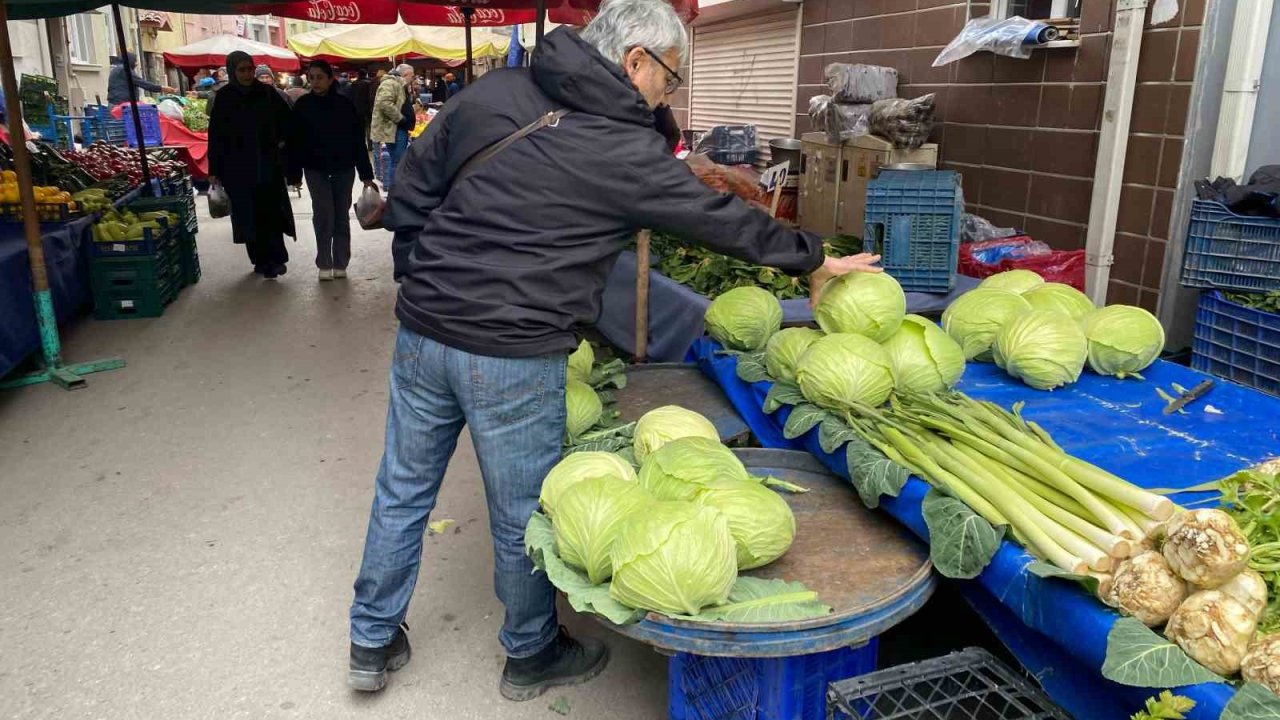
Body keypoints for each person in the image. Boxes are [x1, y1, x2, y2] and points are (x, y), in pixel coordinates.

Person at [349, 0, 882, 701]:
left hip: (424, 332)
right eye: (671, 77)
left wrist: (421, 272)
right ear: (635, 61)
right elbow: (713, 219)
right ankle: (532, 652)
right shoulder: (621, 148)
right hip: (513, 349)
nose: (672, 92)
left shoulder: (499, 92)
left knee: (402, 486)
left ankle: (371, 639)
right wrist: (810, 259)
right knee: (520, 512)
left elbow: (415, 179)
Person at [207, 51, 296, 279]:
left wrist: (282, 141)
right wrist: (214, 170)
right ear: (233, 72)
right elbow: (216, 135)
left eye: (249, 69)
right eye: (242, 70)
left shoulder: (267, 94)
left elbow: (288, 121)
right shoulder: (225, 98)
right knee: (248, 215)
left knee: (271, 213)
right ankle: (259, 259)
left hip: (267, 166)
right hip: (237, 170)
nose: (247, 74)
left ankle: (275, 260)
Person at [287, 60, 377, 282]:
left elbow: (357, 140)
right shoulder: (303, 106)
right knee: (323, 214)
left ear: (330, 79)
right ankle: (324, 262)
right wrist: (294, 174)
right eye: (312, 77)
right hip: (315, 169)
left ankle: (340, 262)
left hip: (343, 169)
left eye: (320, 77)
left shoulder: (345, 105)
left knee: (340, 215)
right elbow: (294, 142)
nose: (315, 82)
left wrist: (366, 174)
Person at [370, 64, 413, 192]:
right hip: (394, 128)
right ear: (405, 74)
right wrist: (401, 118)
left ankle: (394, 189)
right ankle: (394, 191)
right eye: (412, 75)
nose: (413, 78)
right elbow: (384, 103)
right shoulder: (390, 83)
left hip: (397, 128)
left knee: (397, 161)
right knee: (397, 161)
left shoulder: (398, 84)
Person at [107, 52, 173, 104]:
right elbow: (142, 83)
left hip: (115, 103)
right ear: (130, 61)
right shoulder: (125, 69)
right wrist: (162, 88)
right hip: (121, 104)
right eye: (135, 61)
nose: (136, 64)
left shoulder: (117, 68)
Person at [349, 69, 374, 150]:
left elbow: (351, 97)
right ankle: (370, 146)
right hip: (367, 109)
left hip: (356, 109)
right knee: (369, 127)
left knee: (360, 128)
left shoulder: (353, 84)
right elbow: (370, 96)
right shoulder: (369, 83)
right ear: (365, 74)